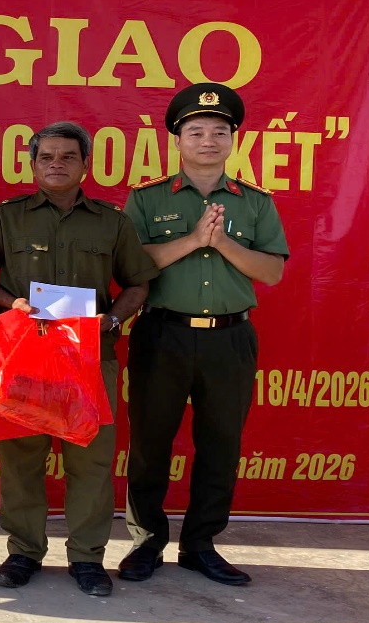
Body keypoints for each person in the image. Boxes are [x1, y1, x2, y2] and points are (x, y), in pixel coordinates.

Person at [0, 122, 157, 597]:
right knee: (21, 461)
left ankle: (87, 558)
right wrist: (10, 303)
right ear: (32, 164)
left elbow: (138, 283)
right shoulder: (5, 217)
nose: (56, 164)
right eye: (46, 156)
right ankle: (23, 552)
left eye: (68, 156)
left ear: (85, 165)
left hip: (89, 358)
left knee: (90, 463)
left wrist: (112, 320)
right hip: (23, 357)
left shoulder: (111, 222)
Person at [119, 83, 288, 587]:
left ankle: (201, 544)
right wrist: (193, 240)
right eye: (196, 132)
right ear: (177, 140)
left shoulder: (254, 203)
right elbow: (129, 264)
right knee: (150, 442)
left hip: (229, 339)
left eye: (219, 132)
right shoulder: (147, 198)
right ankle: (146, 541)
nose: (208, 141)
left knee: (220, 443)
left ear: (233, 140)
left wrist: (224, 244)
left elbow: (272, 271)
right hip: (162, 333)